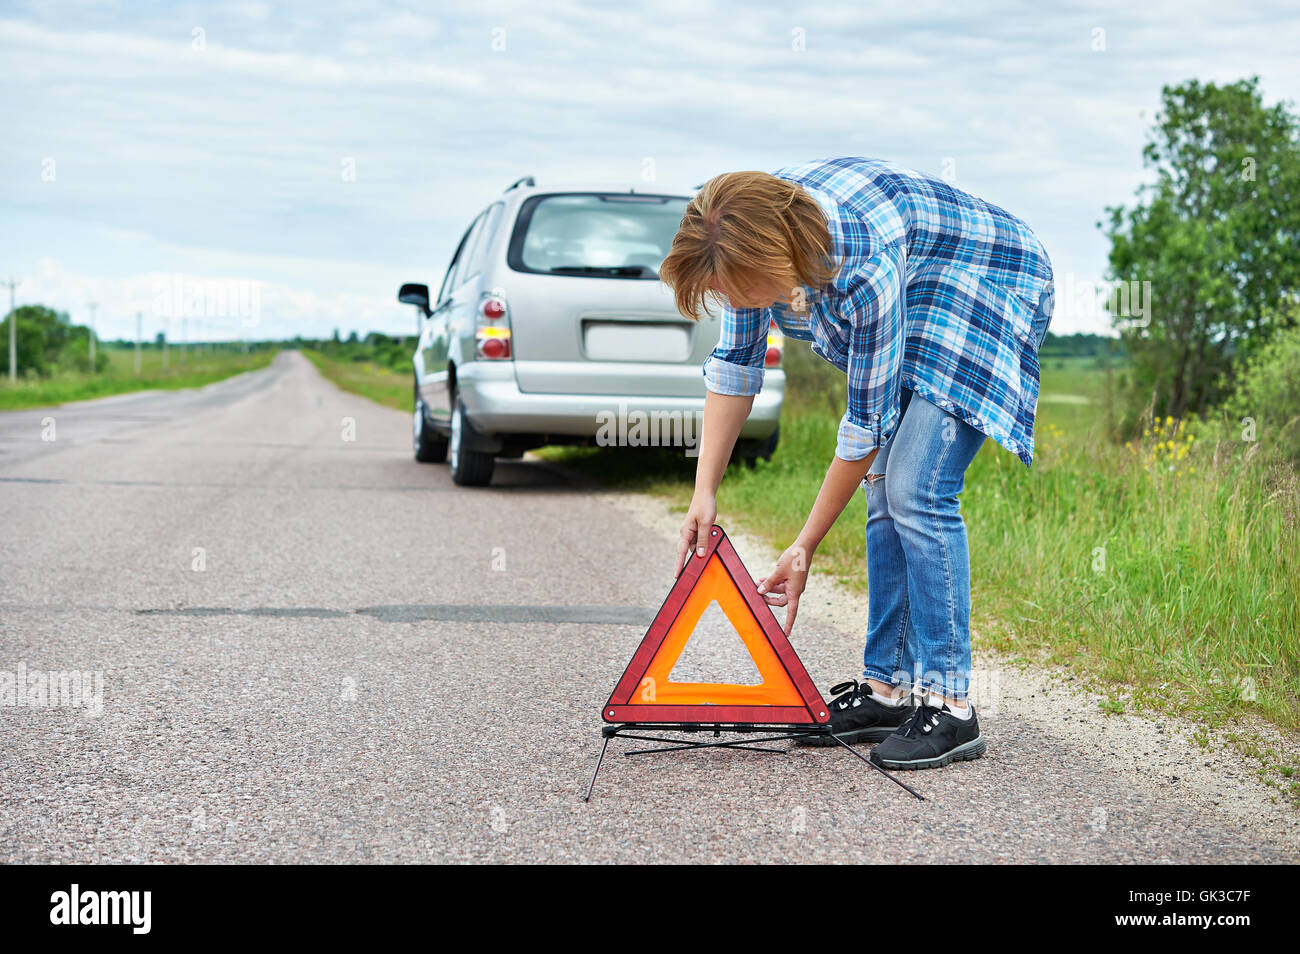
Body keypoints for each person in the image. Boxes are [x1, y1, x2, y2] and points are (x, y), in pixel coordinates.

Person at [657, 156, 1054, 770]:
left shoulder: (860, 264)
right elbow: (737, 367)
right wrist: (702, 491)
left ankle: (951, 705)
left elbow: (863, 425)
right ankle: (889, 690)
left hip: (987, 282)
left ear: (777, 264)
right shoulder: (738, 234)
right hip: (919, 277)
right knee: (881, 490)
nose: (731, 301)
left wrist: (804, 544)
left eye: (738, 292)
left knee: (915, 487)